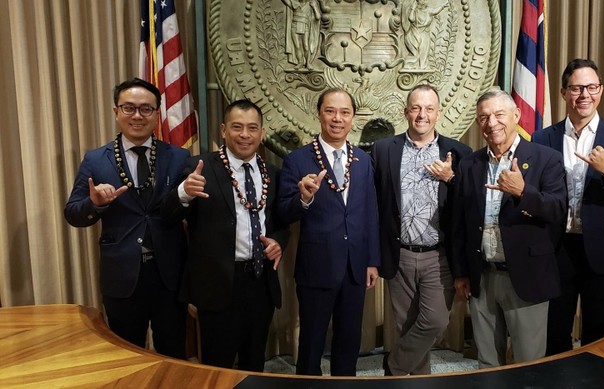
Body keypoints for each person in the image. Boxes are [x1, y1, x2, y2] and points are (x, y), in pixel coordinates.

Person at [64, 78, 189, 359]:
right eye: (129, 108)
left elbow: (185, 211)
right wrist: (94, 204)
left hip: (169, 274)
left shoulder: (179, 157)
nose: (137, 116)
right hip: (122, 274)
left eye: (146, 109)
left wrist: (185, 197)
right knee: (126, 355)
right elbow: (73, 213)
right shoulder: (96, 160)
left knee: (174, 352)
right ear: (116, 112)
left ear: (157, 114)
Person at [161, 99, 286, 372]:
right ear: (223, 130)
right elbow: (167, 218)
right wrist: (183, 193)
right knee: (218, 366)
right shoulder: (199, 167)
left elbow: (279, 222)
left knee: (255, 361)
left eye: (252, 128)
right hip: (217, 285)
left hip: (259, 280)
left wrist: (277, 242)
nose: (245, 134)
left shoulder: (273, 174)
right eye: (237, 127)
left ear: (261, 133)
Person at [533, 59, 604, 355]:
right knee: (554, 331)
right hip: (558, 248)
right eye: (576, 88)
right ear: (563, 92)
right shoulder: (543, 139)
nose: (584, 94)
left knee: (597, 334)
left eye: (591, 87)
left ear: (601, 90)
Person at [451, 89, 567, 367]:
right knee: (487, 362)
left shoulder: (546, 158)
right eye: (483, 117)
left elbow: (558, 211)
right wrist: (461, 273)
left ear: (516, 115)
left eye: (498, 114)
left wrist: (523, 192)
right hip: (482, 277)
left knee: (529, 363)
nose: (491, 123)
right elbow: (459, 223)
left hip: (528, 276)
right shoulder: (469, 164)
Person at [277, 88, 380, 376]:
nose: (338, 118)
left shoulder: (363, 160)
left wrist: (371, 260)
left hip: (355, 266)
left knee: (349, 340)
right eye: (330, 111)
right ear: (319, 114)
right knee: (311, 342)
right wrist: (304, 198)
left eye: (345, 112)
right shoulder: (297, 160)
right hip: (317, 266)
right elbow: (284, 212)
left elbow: (370, 212)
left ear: (353, 118)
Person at [373, 84, 471, 375]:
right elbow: (375, 201)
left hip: (438, 256)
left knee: (434, 321)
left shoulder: (459, 152)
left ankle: (393, 367)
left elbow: (469, 203)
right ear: (406, 112)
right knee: (406, 327)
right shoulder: (383, 150)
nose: (422, 115)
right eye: (416, 108)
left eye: (429, 109)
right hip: (399, 252)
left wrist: (452, 177)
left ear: (438, 113)